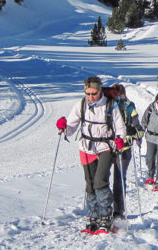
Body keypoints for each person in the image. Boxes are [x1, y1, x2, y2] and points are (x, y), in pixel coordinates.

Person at [56, 76, 126, 233]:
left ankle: (106, 216)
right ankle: (94, 215)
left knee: (100, 182)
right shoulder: (81, 105)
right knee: (90, 184)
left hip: (105, 147)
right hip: (86, 147)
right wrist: (63, 127)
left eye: (93, 93)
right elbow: (71, 128)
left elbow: (120, 128)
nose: (90, 97)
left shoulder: (110, 105)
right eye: (87, 93)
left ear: (100, 91)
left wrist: (120, 139)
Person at [111, 84, 144, 220]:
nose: (119, 97)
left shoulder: (130, 106)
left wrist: (135, 132)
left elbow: (139, 129)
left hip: (124, 147)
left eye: (121, 94)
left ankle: (118, 210)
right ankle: (103, 207)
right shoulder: (108, 105)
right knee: (102, 178)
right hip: (108, 147)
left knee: (119, 179)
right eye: (117, 95)